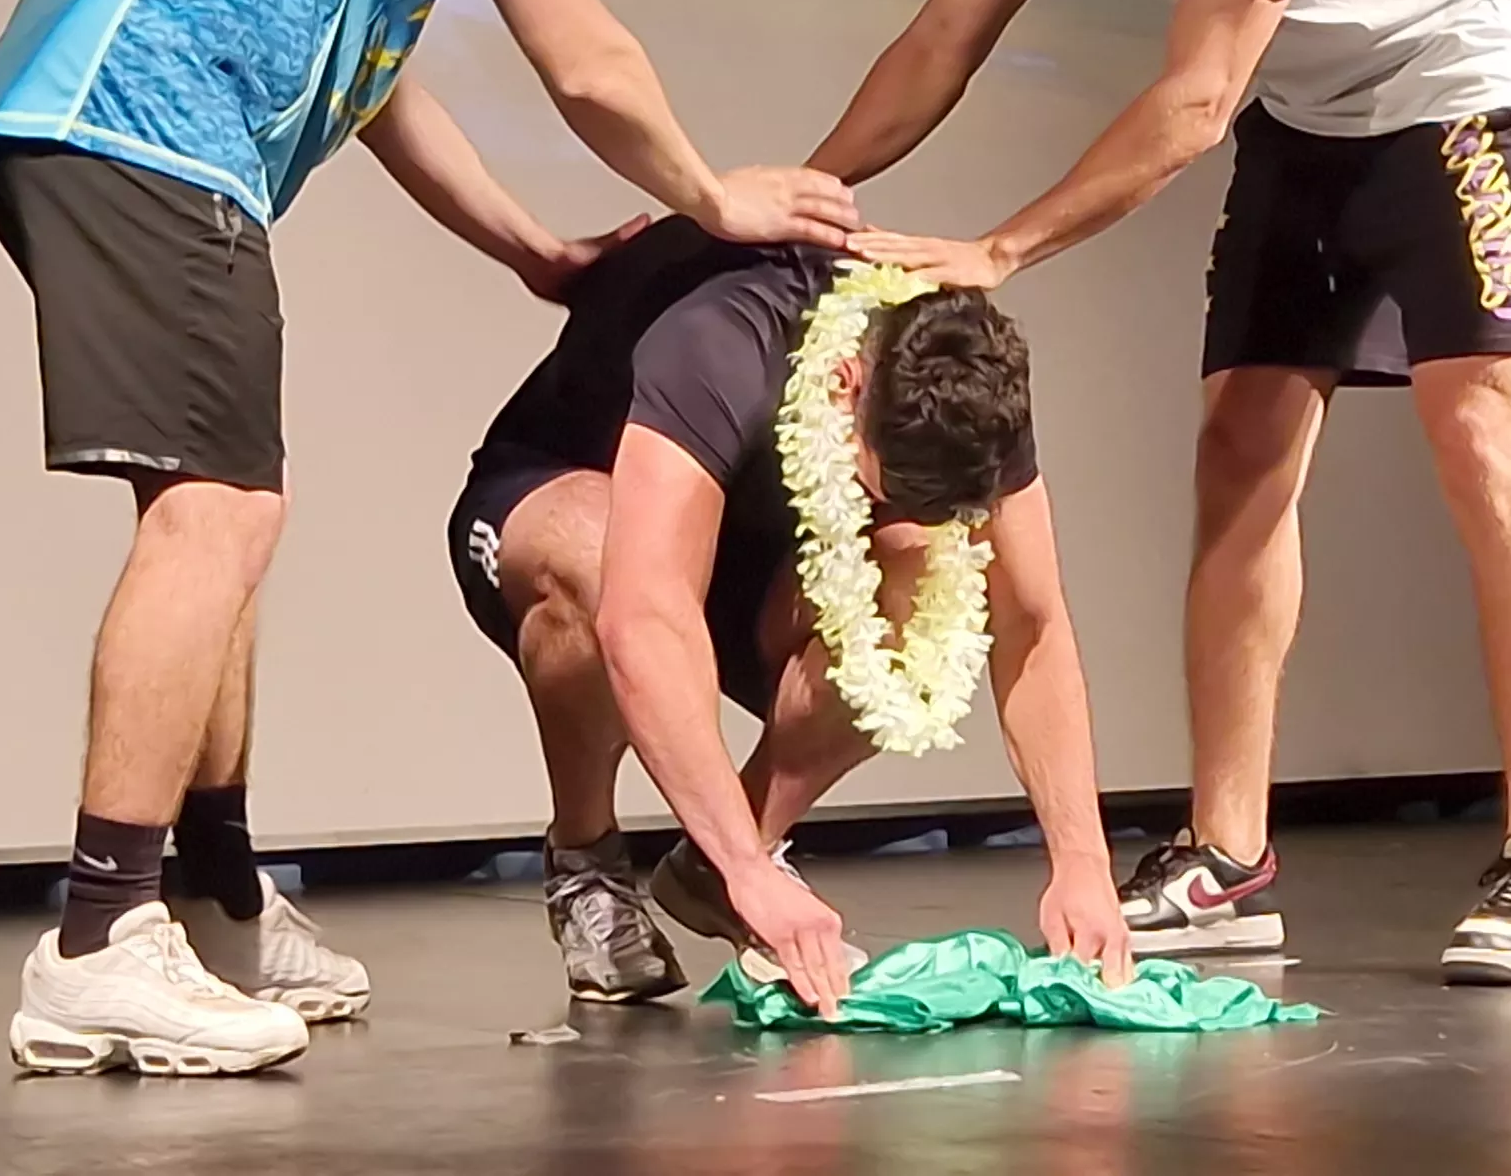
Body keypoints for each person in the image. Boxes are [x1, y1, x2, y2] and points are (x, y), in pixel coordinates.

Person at [0, 0, 860, 1076]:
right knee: (222, 516)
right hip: (143, 128)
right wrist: (718, 194)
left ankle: (219, 900)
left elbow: (377, 88)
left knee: (223, 513)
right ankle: (96, 939)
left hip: (120, 136)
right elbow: (578, 47)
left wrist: (531, 248)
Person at [817, 0, 1511, 987]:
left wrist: (1000, 249)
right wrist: (812, 198)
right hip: (1308, 127)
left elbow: (1190, 105)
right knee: (1241, 448)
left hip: (1453, 97)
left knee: (1480, 434)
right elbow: (946, 39)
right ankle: (1227, 854)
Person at [445, 218, 1133, 1017]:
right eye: (886, 484)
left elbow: (1033, 625)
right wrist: (751, 871)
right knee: (597, 553)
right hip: (560, 507)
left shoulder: (968, 381)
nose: (894, 507)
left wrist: (1083, 862)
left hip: (751, 563)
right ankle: (589, 859)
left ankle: (720, 869)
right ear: (844, 385)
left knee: (922, 582)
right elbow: (645, 620)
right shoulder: (722, 343)